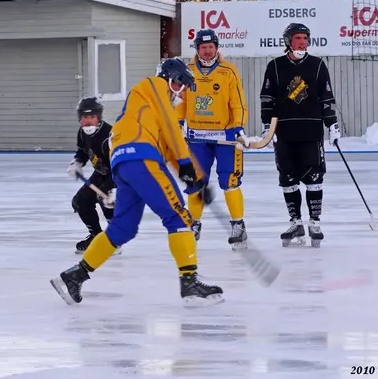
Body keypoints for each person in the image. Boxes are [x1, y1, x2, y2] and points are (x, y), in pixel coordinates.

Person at [50, 58, 223, 306]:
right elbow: (174, 138)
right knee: (178, 217)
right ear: (174, 79)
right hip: (141, 158)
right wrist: (186, 165)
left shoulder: (151, 110)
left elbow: (170, 147)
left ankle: (75, 276)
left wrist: (196, 182)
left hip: (124, 164)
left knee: (123, 228)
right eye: (183, 86)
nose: (182, 94)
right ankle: (190, 282)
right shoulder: (154, 85)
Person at [259, 23, 341, 247]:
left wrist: (332, 125)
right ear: (288, 41)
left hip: (311, 132)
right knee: (287, 179)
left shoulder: (317, 65)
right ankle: (296, 222)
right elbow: (268, 99)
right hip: (284, 133)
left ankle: (314, 222)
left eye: (305, 38)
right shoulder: (275, 66)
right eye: (298, 38)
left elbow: (326, 98)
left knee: (315, 178)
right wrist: (268, 127)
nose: (303, 42)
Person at [176, 29, 250, 250]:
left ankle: (238, 225)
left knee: (230, 180)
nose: (207, 51)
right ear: (197, 49)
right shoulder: (186, 71)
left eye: (210, 47)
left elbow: (237, 102)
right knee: (195, 182)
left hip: (225, 137)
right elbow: (180, 101)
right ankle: (194, 223)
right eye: (203, 47)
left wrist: (238, 127)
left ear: (216, 48)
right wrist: (178, 124)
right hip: (197, 138)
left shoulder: (229, 71)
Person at [66, 96, 116, 254]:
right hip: (100, 173)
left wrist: (113, 188)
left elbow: (120, 164)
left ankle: (114, 238)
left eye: (92, 117)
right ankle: (96, 235)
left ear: (98, 117)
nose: (88, 121)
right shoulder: (82, 133)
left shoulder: (110, 135)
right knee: (80, 202)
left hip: (115, 174)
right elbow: (83, 150)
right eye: (84, 117)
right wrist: (78, 162)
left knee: (106, 200)